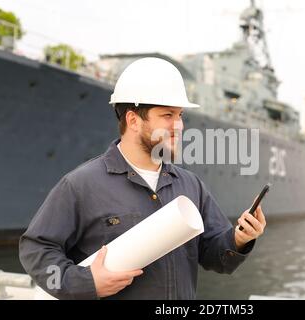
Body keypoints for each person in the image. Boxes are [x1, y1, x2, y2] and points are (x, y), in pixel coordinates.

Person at [19, 57, 266, 300]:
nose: (179, 125)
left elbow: (215, 256)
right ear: (133, 120)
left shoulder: (191, 185)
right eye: (167, 115)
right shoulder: (81, 185)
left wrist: (239, 239)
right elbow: (36, 250)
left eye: (180, 115)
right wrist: (85, 282)